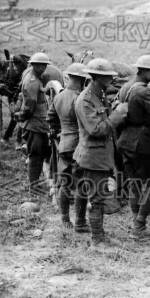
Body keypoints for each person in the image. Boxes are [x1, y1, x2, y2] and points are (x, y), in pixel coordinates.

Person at [73, 58, 128, 248]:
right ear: (97, 77)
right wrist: (117, 115)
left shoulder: (100, 95)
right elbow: (97, 130)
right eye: (107, 77)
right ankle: (98, 238)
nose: (111, 80)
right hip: (93, 157)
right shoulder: (86, 100)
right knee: (97, 198)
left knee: (83, 190)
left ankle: (80, 224)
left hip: (95, 155)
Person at [116, 55, 150, 239]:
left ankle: (136, 221)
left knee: (134, 182)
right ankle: (139, 224)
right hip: (141, 142)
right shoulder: (144, 92)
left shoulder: (126, 87)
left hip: (125, 140)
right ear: (142, 71)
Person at [47, 63, 90, 232]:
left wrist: (61, 131)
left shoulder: (59, 96)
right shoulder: (80, 98)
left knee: (65, 183)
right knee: (81, 184)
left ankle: (65, 219)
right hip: (78, 145)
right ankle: (80, 222)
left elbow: (50, 118)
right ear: (82, 79)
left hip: (63, 144)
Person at [13, 53, 52, 196]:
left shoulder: (37, 78)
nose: (42, 68)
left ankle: (37, 186)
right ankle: (34, 189)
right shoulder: (32, 82)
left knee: (42, 154)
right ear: (33, 65)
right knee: (35, 156)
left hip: (39, 123)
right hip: (34, 124)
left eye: (44, 65)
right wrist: (21, 116)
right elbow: (29, 106)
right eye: (39, 65)